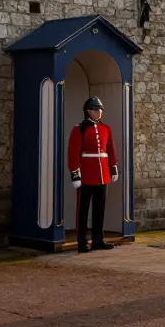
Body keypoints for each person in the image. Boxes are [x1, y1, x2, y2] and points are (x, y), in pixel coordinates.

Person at [67, 96, 119, 252]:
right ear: (88, 111)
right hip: (87, 174)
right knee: (83, 210)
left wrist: (113, 167)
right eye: (96, 110)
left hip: (102, 174)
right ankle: (82, 242)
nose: (99, 112)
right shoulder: (79, 129)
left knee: (99, 209)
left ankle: (98, 240)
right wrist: (76, 174)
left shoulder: (106, 129)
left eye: (100, 110)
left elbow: (110, 149)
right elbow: (73, 153)